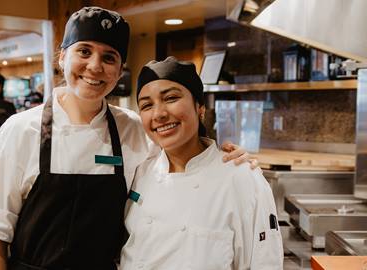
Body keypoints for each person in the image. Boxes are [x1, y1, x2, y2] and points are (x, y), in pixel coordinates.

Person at [0, 7, 254, 270]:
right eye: (84, 51)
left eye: (108, 57)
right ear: (62, 56)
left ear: (119, 71)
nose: (95, 66)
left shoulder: (133, 129)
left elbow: (183, 162)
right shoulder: (19, 130)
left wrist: (227, 158)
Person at [120, 57, 283, 270]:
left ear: (200, 108)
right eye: (147, 105)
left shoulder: (242, 178)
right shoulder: (140, 172)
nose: (159, 114)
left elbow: (265, 263)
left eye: (170, 98)